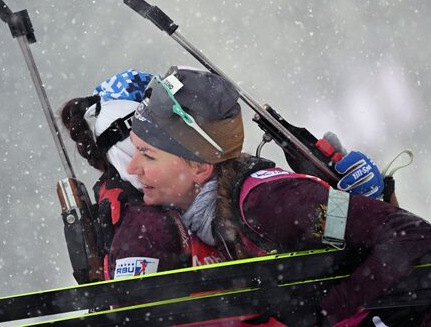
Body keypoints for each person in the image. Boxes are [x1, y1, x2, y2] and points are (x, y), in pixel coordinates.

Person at [126, 66, 431, 326]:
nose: (132, 167)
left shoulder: (270, 203)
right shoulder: (201, 210)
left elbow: (410, 234)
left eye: (147, 156)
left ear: (199, 168)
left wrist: (327, 312)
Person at [60, 69, 191, 280]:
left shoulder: (163, 199)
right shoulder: (144, 226)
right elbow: (138, 305)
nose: (181, 128)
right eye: (165, 122)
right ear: (132, 141)